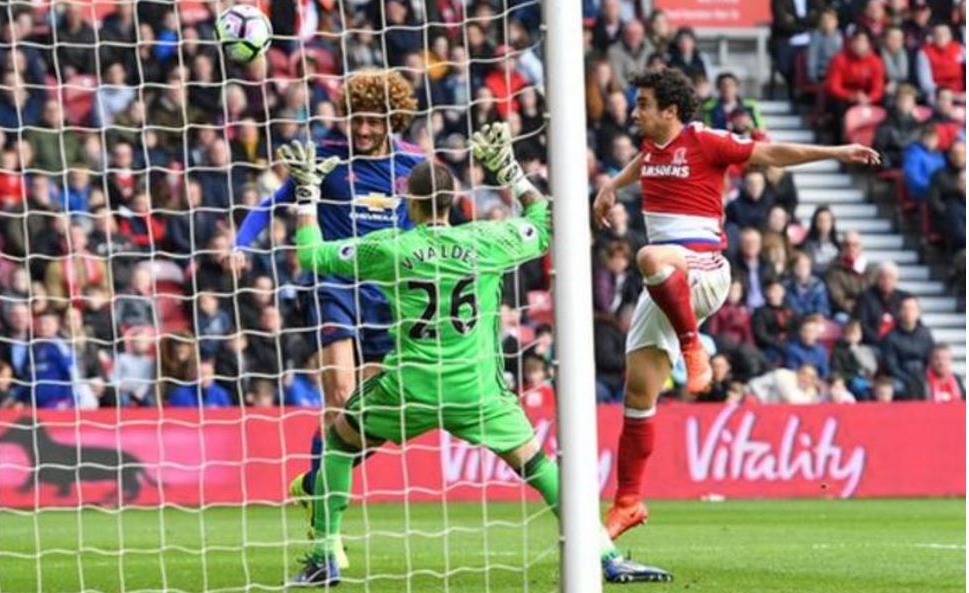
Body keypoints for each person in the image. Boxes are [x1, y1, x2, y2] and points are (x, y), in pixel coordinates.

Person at [287, 126, 670, 585]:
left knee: (339, 443)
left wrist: (307, 192)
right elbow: (548, 224)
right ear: (453, 201)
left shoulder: (389, 248)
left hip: (410, 387)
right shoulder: (488, 240)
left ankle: (326, 553)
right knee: (538, 465)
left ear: (409, 203)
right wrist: (510, 171)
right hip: (477, 387)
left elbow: (309, 255)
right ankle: (605, 558)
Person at [591, 67, 879, 540]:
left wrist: (836, 151)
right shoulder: (651, 146)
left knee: (647, 255)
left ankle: (693, 345)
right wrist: (610, 186)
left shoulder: (706, 140)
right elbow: (644, 163)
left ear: (670, 110)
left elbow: (770, 153)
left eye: (644, 103)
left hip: (703, 270)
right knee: (639, 395)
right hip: (666, 280)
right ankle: (628, 502)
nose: (636, 110)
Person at [233, 70, 423, 534]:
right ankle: (327, 533)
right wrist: (241, 243)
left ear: (393, 118)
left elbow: (428, 228)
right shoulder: (323, 157)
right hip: (331, 285)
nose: (362, 129)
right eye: (356, 119)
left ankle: (316, 482)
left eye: (374, 121)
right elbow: (271, 202)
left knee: (373, 414)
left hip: (388, 297)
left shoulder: (414, 166)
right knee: (338, 394)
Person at [880, 296, 934, 399]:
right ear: (899, 312)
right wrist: (908, 379)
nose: (908, 312)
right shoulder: (890, 337)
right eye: (905, 308)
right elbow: (891, 366)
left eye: (912, 309)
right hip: (900, 377)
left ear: (918, 312)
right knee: (900, 388)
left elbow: (930, 359)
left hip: (922, 375)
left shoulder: (926, 334)